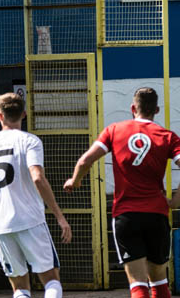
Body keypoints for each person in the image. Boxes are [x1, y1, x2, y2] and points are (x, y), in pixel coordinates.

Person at [64, 87, 180, 298]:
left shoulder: (114, 130)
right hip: (157, 213)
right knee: (160, 281)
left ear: (132, 108)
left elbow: (85, 160)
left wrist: (75, 180)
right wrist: (176, 198)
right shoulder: (168, 136)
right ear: (157, 110)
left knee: (137, 284)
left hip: (126, 215)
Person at [0, 93, 71, 298]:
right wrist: (59, 216)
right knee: (51, 280)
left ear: (0, 116)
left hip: (1, 225)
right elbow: (38, 178)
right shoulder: (30, 141)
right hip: (30, 220)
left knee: (20, 288)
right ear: (24, 114)